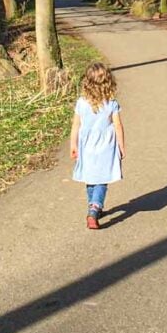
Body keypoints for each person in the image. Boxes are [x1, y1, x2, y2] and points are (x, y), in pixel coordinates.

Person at [70, 62, 125, 229]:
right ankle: (94, 208)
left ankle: (93, 205)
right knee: (102, 178)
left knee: (91, 178)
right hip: (106, 147)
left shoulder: (81, 103)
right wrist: (121, 146)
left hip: (86, 146)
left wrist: (73, 144)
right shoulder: (111, 103)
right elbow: (117, 126)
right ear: (108, 82)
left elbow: (76, 125)